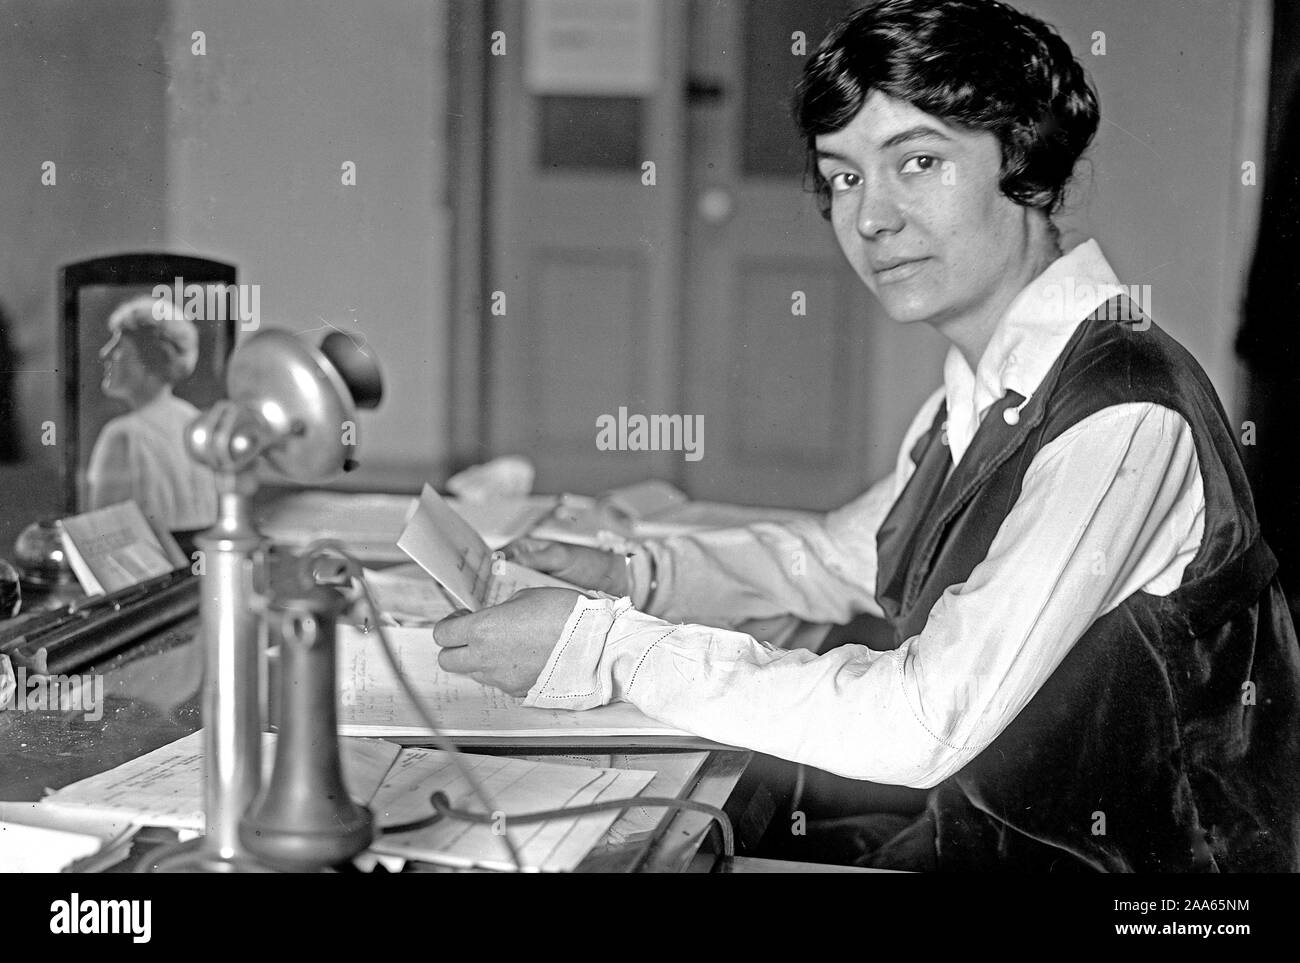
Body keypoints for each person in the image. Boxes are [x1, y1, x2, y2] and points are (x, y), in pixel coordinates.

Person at [433, 0, 1300, 871]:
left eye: (917, 162)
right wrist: (633, 572)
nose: (871, 218)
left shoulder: (1121, 414)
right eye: (844, 176)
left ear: (1027, 163)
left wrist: (604, 647)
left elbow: (921, 720)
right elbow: (830, 556)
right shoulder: (986, 388)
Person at [86, 294, 218, 532]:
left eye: (119, 347)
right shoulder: (198, 423)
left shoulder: (122, 435)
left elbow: (101, 539)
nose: (105, 353)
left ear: (149, 361)